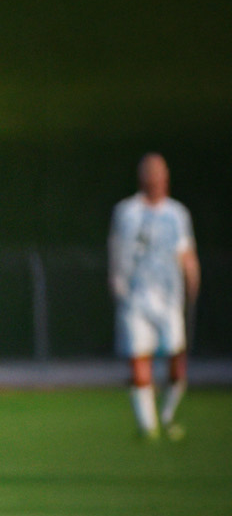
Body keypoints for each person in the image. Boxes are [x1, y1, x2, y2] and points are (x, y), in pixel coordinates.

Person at [109, 153, 200, 440]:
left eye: (159, 173)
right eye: (149, 173)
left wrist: (192, 279)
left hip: (169, 298)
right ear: (141, 177)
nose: (155, 179)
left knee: (177, 362)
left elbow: (186, 252)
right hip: (135, 298)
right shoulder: (127, 212)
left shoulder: (177, 214)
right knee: (138, 359)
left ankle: (167, 415)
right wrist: (116, 283)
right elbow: (116, 250)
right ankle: (147, 427)